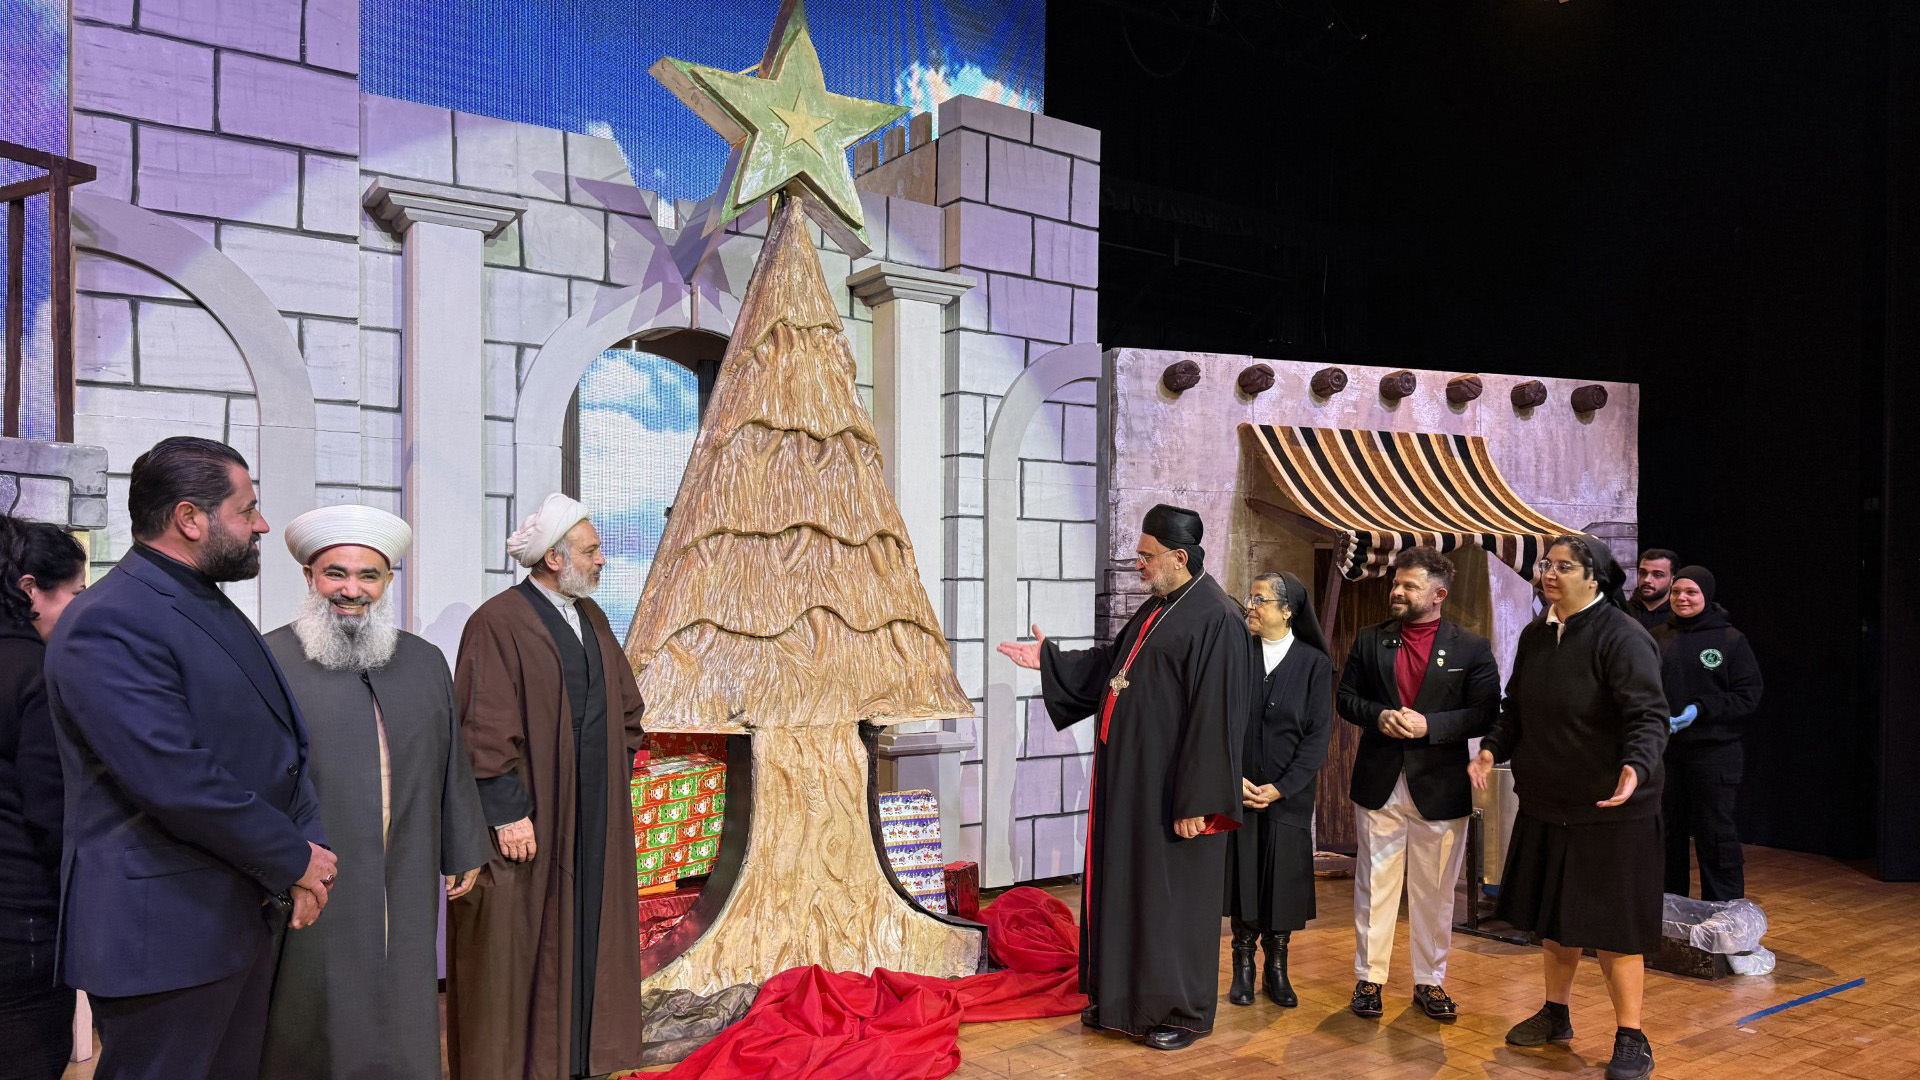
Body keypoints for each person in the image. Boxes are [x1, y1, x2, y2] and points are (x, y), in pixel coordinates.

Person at [44, 437, 336, 1080]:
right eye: (247, 509)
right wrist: (293, 858)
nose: (262, 524)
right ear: (189, 518)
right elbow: (174, 778)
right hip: (164, 934)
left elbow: (278, 746)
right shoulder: (111, 619)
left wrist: (306, 847)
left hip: (229, 915)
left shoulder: (197, 598)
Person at [996, 504, 1251, 1051]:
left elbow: (1220, 716)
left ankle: (1181, 1011)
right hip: (1132, 782)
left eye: (1146, 555)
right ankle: (1120, 1001)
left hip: (1175, 792)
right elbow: (1114, 665)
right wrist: (1050, 660)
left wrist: (1199, 800)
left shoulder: (1217, 617)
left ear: (1179, 557)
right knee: (1127, 890)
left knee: (1170, 900)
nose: (1138, 563)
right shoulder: (1158, 608)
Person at [260, 506, 493, 1080]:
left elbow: (450, 759)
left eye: (369, 576)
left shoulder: (423, 660)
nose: (352, 590)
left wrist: (462, 844)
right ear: (309, 577)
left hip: (407, 861)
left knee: (404, 987)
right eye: (335, 574)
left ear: (388, 581)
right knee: (320, 998)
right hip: (316, 865)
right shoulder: (271, 659)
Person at [448, 493, 647, 1080]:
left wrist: (607, 777)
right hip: (531, 817)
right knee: (519, 943)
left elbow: (626, 708)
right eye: (592, 550)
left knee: (587, 933)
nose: (602, 560)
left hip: (591, 813)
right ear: (554, 559)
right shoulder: (497, 621)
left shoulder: (591, 617)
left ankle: (580, 1059)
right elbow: (482, 724)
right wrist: (506, 812)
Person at [1471, 534, 1669, 1080]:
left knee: (1615, 929)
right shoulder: (1538, 633)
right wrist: (1491, 748)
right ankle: (1556, 1013)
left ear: (1594, 577)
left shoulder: (1622, 636)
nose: (1549, 574)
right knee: (1556, 919)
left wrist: (1637, 765)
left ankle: (1632, 1036)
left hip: (1610, 809)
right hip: (1549, 802)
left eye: (1563, 566)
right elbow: (1516, 707)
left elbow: (1648, 715)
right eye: (1546, 565)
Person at [1337, 545, 1501, 1024]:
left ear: (1438, 595)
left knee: (1436, 891)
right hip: (1379, 781)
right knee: (1374, 885)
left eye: (1409, 586)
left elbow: (1486, 712)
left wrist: (1433, 726)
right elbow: (1346, 698)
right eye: (1396, 583)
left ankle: (1430, 981)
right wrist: (1379, 715)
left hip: (1441, 786)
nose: (1397, 591)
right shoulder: (1370, 639)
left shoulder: (1471, 647)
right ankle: (1369, 978)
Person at [0, 517, 88, 1080]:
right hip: (18, 927)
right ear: (30, 589)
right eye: (76, 594)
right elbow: (51, 812)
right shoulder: (34, 670)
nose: (81, 609)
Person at [1224, 570, 1331, 1010]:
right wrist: (1233, 779)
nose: (1250, 606)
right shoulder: (1237, 655)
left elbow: (1317, 737)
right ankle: (1243, 967)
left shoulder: (1313, 664)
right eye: (1250, 598)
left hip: (1289, 797)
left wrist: (1281, 788)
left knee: (1281, 882)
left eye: (1260, 599)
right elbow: (1220, 722)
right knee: (1244, 879)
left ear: (1287, 611)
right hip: (1240, 792)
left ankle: (1277, 969)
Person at [1653, 565, 1763, 901]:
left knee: (1715, 833)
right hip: (1667, 752)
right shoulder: (1657, 637)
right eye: (1676, 592)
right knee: (1667, 834)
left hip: (1715, 752)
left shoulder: (1730, 640)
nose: (1682, 598)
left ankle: (1724, 912)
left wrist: (1700, 709)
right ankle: (1669, 910)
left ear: (1707, 595)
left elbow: (1747, 695)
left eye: (1691, 592)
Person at [1630, 549, 1680, 630]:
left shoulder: (1680, 617)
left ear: (1672, 580)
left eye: (1657, 575)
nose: (1647, 580)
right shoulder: (1623, 612)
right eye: (1643, 573)